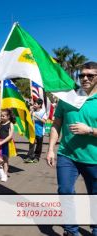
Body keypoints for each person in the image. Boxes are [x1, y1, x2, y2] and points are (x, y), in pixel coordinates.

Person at [47, 61, 97, 236]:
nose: (85, 78)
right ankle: (71, 230)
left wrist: (89, 130)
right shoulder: (68, 98)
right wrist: (51, 148)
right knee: (65, 191)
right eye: (82, 75)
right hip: (67, 155)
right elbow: (57, 123)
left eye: (90, 75)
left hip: (93, 158)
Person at [0, 109, 16, 182]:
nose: (1, 117)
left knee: (5, 159)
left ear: (8, 116)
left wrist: (2, 142)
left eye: (3, 116)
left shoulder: (10, 124)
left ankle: (5, 174)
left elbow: (10, 136)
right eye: (1, 116)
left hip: (6, 143)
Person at [25, 98, 47, 163]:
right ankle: (30, 156)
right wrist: (31, 111)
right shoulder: (33, 111)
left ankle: (37, 157)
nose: (34, 105)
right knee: (31, 143)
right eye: (34, 104)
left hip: (40, 131)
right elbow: (28, 118)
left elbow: (44, 121)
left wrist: (36, 116)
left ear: (40, 105)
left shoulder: (43, 112)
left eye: (35, 104)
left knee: (39, 145)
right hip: (32, 130)